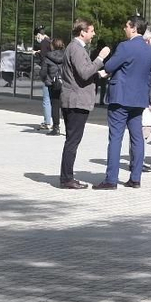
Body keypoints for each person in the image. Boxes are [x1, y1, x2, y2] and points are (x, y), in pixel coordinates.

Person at [96, 16, 151, 190]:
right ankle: (135, 178)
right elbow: (149, 76)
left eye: (126, 26)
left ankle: (111, 179)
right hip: (139, 99)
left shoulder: (125, 46)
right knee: (137, 138)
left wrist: (109, 70)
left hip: (120, 98)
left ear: (134, 28)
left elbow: (109, 66)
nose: (124, 29)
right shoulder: (150, 51)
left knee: (116, 138)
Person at [59, 19, 109, 189]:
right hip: (76, 101)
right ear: (83, 32)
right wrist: (100, 58)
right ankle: (67, 179)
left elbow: (81, 74)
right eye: (92, 31)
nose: (94, 34)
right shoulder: (76, 48)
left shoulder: (75, 48)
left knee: (71, 140)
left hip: (74, 99)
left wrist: (98, 74)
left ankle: (66, 177)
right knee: (72, 141)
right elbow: (85, 72)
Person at [39, 37, 66, 135]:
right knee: (66, 106)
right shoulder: (67, 56)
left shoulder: (48, 57)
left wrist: (46, 80)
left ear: (52, 46)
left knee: (55, 105)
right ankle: (69, 128)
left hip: (53, 84)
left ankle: (56, 128)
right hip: (66, 83)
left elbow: (43, 72)